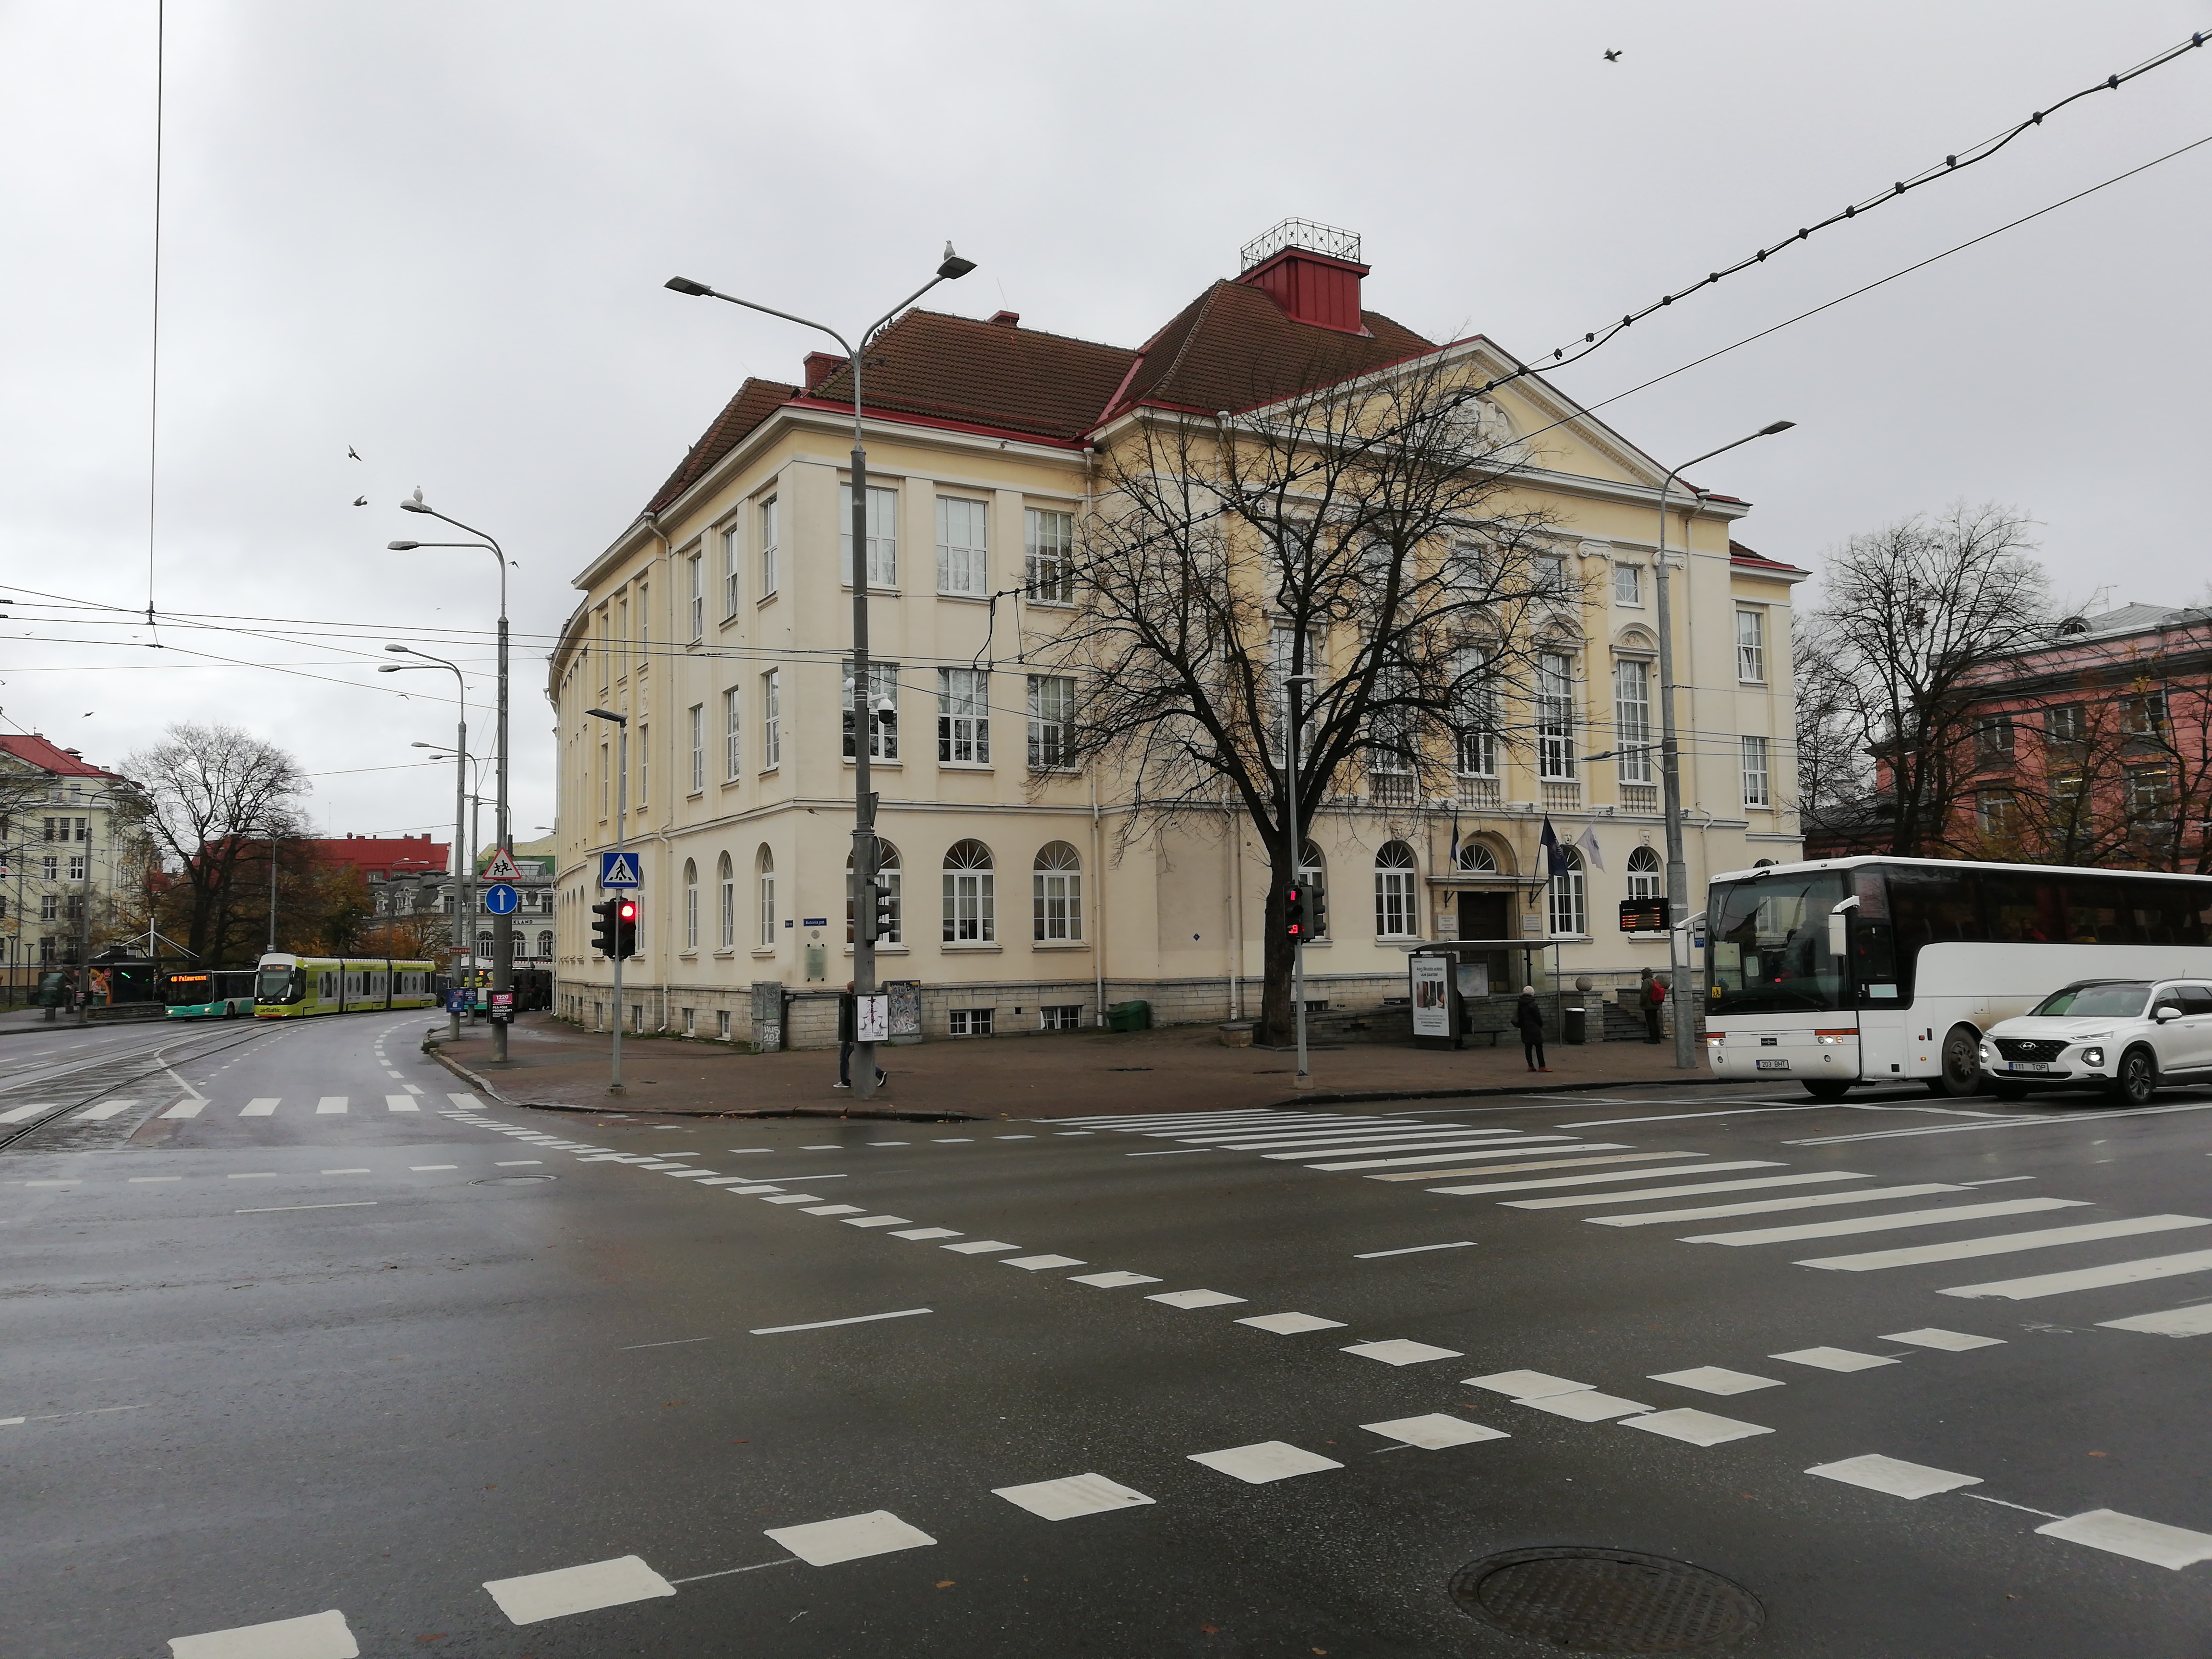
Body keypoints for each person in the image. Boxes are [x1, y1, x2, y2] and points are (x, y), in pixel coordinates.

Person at [833, 982, 887, 1091]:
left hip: (850, 1037)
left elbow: (850, 1020)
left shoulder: (850, 1001)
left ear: (849, 990)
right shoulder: (860, 1000)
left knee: (844, 1058)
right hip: (858, 1035)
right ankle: (879, 1073)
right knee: (863, 1056)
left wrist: (852, 1038)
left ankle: (845, 1081)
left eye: (847, 989)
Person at [1515, 985, 1549, 1072]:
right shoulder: (1533, 1004)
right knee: (1539, 1046)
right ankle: (1542, 1066)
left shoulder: (1520, 1003)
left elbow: (1520, 1016)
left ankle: (1531, 1066)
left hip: (1525, 1028)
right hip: (1534, 1028)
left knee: (1528, 1046)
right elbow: (1538, 1017)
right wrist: (1541, 1025)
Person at [1640, 967, 1666, 1044]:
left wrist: (1642, 1003)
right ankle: (1658, 1038)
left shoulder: (1646, 982)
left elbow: (1644, 993)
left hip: (1649, 1005)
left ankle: (1653, 1039)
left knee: (1650, 1022)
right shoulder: (1655, 981)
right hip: (1656, 1004)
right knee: (1655, 1021)